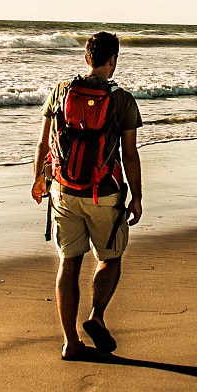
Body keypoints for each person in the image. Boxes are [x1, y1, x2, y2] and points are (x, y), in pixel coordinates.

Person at [35, 31, 143, 360]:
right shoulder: (121, 99)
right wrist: (136, 196)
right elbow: (129, 153)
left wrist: (39, 180)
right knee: (109, 257)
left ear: (86, 58)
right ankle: (96, 316)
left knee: (69, 263)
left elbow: (43, 143)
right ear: (113, 61)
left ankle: (70, 343)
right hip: (104, 193)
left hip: (64, 190)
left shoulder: (60, 92)